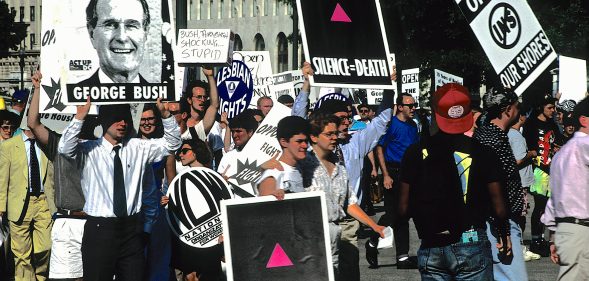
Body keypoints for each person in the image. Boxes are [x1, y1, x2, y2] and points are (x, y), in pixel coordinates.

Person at [58, 98, 181, 281]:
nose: (123, 123)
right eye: (117, 118)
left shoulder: (138, 147)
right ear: (105, 121)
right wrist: (80, 117)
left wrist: (165, 115)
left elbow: (173, 144)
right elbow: (64, 149)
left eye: (126, 119)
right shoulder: (89, 149)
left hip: (132, 230)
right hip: (100, 230)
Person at [293, 61, 395, 280]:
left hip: (347, 225)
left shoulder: (357, 142)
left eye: (349, 117)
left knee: (348, 273)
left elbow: (382, 120)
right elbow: (296, 121)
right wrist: (307, 81)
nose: (348, 122)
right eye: (342, 118)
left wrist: (388, 86)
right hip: (314, 225)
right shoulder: (309, 151)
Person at [398, 83, 493, 280]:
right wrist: (503, 230)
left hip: (432, 241)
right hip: (470, 237)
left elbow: (402, 208)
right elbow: (499, 207)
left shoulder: (415, 152)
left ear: (435, 114)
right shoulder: (482, 152)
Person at [298, 112, 385, 278]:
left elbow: (350, 202)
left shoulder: (340, 167)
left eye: (335, 134)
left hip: (338, 234)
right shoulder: (303, 166)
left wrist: (374, 226)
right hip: (312, 239)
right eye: (329, 134)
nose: (334, 138)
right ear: (314, 137)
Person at [27, 71, 91, 281]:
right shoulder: (58, 144)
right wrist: (37, 89)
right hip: (67, 221)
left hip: (96, 222)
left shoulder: (100, 146)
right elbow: (33, 124)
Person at [473, 88, 527, 280]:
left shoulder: (487, 135)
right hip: (497, 223)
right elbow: (493, 190)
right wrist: (503, 232)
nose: (519, 111)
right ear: (508, 110)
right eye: (517, 107)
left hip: (496, 221)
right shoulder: (494, 140)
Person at [0, 111, 56, 281]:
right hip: (18, 204)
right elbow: (3, 178)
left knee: (46, 247)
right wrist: (1, 207)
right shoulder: (8, 146)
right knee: (21, 254)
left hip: (44, 202)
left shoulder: (48, 143)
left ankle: (40, 277)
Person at [541, 97, 589, 281]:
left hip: (567, 230)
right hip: (581, 230)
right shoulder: (583, 146)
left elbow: (554, 199)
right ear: (584, 120)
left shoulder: (562, 154)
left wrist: (553, 236)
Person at [374, 92, 419, 269]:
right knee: (394, 214)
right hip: (392, 170)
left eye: (414, 105)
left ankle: (402, 257)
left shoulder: (414, 125)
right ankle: (372, 241)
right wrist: (385, 174)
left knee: (405, 214)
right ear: (400, 107)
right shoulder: (391, 124)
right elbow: (379, 149)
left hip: (409, 173)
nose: (413, 108)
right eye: (410, 105)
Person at [522, 95, 563, 257]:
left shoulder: (553, 124)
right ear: (541, 108)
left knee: (547, 205)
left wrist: (556, 149)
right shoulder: (531, 123)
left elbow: (557, 142)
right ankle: (535, 240)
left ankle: (543, 239)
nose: (553, 111)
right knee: (539, 205)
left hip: (551, 169)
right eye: (550, 108)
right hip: (538, 170)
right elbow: (528, 145)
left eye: (554, 108)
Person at [81, 0, 151, 84]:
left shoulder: (162, 97)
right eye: (110, 25)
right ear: (92, 34)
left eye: (131, 25)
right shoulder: (68, 96)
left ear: (145, 34)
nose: (122, 37)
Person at [507, 109, 540, 261]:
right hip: (520, 182)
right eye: (525, 114)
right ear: (520, 116)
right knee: (520, 216)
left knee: (517, 215)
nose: (526, 117)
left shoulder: (508, 133)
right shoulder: (516, 136)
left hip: (515, 181)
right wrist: (531, 154)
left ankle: (517, 246)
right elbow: (518, 160)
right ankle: (519, 247)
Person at [257, 116, 310, 198]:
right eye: (299, 141)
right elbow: (264, 207)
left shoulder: (301, 167)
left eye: (306, 141)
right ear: (284, 142)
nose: (305, 145)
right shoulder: (273, 173)